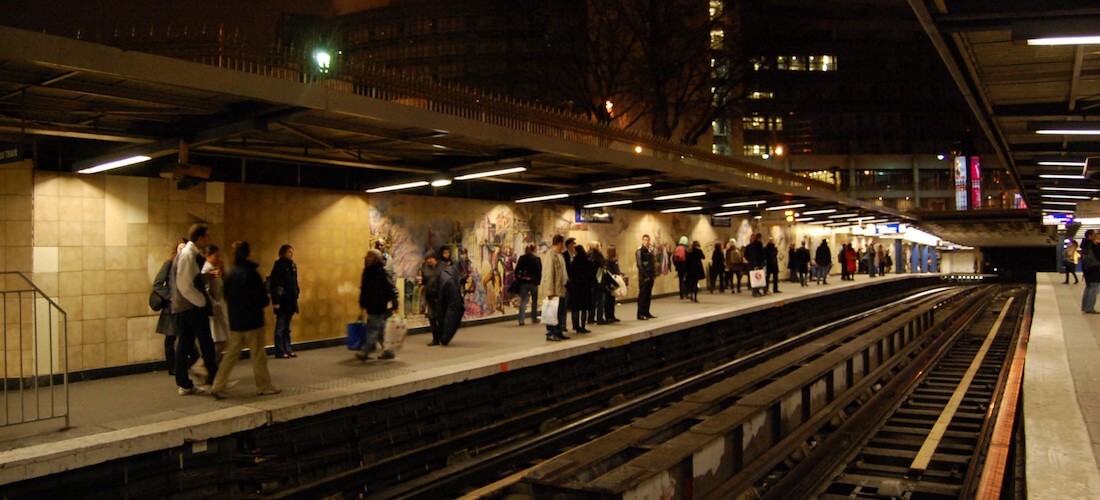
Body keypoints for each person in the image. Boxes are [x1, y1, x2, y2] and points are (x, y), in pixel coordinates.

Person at [209, 241, 281, 399]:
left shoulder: (229, 275)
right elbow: (262, 299)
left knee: (230, 356)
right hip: (253, 321)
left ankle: (218, 385)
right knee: (258, 355)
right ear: (248, 253)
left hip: (236, 323)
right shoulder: (253, 273)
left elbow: (225, 296)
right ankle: (264, 386)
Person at [171, 224, 219, 395]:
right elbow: (185, 285)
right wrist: (200, 302)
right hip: (191, 307)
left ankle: (184, 383)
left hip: (184, 307)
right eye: (206, 237)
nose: (208, 240)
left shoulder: (189, 255)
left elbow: (188, 279)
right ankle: (215, 381)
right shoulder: (188, 255)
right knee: (205, 343)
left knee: (184, 345)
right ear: (199, 238)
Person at [153, 239, 190, 376]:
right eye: (180, 249)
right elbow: (157, 284)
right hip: (171, 308)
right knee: (170, 338)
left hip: (184, 306)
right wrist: (169, 296)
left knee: (185, 338)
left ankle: (183, 365)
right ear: (176, 250)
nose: (182, 252)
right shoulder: (169, 264)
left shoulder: (188, 266)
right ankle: (172, 366)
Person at [356, 249, 399, 361]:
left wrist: (394, 301)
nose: (368, 260)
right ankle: (388, 351)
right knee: (378, 328)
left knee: (374, 328)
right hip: (375, 304)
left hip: (377, 305)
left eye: (370, 258)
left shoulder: (376, 272)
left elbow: (387, 287)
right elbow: (365, 289)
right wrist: (362, 303)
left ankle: (365, 351)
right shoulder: (373, 272)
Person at [269, 244, 299, 358]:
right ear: (283, 253)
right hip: (282, 300)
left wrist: (296, 293)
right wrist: (275, 301)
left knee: (287, 327)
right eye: (289, 252)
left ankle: (288, 348)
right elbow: (275, 284)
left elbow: (294, 282)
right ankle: (279, 350)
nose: (291, 254)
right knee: (280, 326)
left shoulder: (292, 265)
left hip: (291, 300)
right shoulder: (279, 266)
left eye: (292, 252)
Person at [202, 245, 230, 358]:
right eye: (216, 256)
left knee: (222, 340)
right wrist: (214, 304)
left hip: (219, 307)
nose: (218, 258)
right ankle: (205, 365)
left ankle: (209, 364)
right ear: (208, 256)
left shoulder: (215, 270)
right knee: (219, 340)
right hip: (214, 310)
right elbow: (206, 290)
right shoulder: (207, 270)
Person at [541, 235, 569, 340]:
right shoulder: (550, 256)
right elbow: (548, 274)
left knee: (559, 312)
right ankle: (550, 333)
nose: (563, 247)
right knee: (551, 312)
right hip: (554, 290)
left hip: (560, 289)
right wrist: (549, 291)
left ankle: (558, 332)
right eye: (563, 244)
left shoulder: (559, 255)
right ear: (560, 243)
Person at [439, 251, 465, 345]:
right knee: (445, 317)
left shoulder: (452, 268)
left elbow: (458, 279)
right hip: (444, 295)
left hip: (451, 296)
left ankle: (444, 337)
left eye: (447, 252)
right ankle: (443, 336)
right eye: (444, 252)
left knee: (450, 317)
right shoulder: (441, 269)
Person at [567, 245, 595, 333]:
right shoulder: (588, 262)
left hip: (575, 288)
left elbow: (570, 274)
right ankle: (583, 326)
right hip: (585, 288)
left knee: (576, 308)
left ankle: (576, 326)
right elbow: (592, 275)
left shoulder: (574, 262)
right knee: (584, 308)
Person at [419, 249, 444, 345]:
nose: (429, 260)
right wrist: (422, 281)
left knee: (440, 317)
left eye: (430, 258)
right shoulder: (425, 267)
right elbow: (424, 280)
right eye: (427, 259)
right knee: (431, 317)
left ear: (435, 258)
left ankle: (442, 336)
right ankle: (435, 338)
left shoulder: (442, 267)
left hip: (440, 296)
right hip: (430, 295)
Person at [514, 243, 541, 325]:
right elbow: (539, 272)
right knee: (534, 300)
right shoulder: (536, 259)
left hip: (523, 282)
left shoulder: (522, 258)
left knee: (524, 300)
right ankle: (534, 317)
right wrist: (538, 281)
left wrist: (519, 278)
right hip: (533, 282)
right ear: (534, 249)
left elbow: (517, 270)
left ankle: (521, 319)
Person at [636, 234, 657, 319]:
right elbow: (639, 264)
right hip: (644, 277)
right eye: (645, 240)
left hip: (651, 276)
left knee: (648, 295)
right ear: (642, 241)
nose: (646, 242)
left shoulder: (650, 251)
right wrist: (645, 275)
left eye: (648, 240)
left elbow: (652, 263)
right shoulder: (639, 251)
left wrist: (653, 274)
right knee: (642, 296)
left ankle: (646, 312)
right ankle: (640, 314)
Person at [589, 245, 610, 324]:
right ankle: (599, 318)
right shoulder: (598, 258)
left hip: (591, 283)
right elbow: (600, 271)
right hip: (599, 282)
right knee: (601, 301)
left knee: (592, 302)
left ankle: (590, 318)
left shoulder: (588, 256)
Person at [604, 246, 623, 323]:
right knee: (608, 300)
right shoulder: (607, 261)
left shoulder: (614, 260)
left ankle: (612, 315)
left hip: (615, 280)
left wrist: (620, 274)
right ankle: (608, 316)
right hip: (609, 282)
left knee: (612, 299)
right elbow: (609, 272)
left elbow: (617, 270)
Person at [1082, 230, 1100, 313]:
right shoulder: (1092, 245)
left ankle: (1085, 307)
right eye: (1094, 234)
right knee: (1094, 288)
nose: (1096, 235)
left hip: (1087, 269)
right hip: (1094, 268)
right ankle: (1089, 307)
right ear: (1089, 236)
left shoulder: (1085, 244)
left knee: (1089, 287)